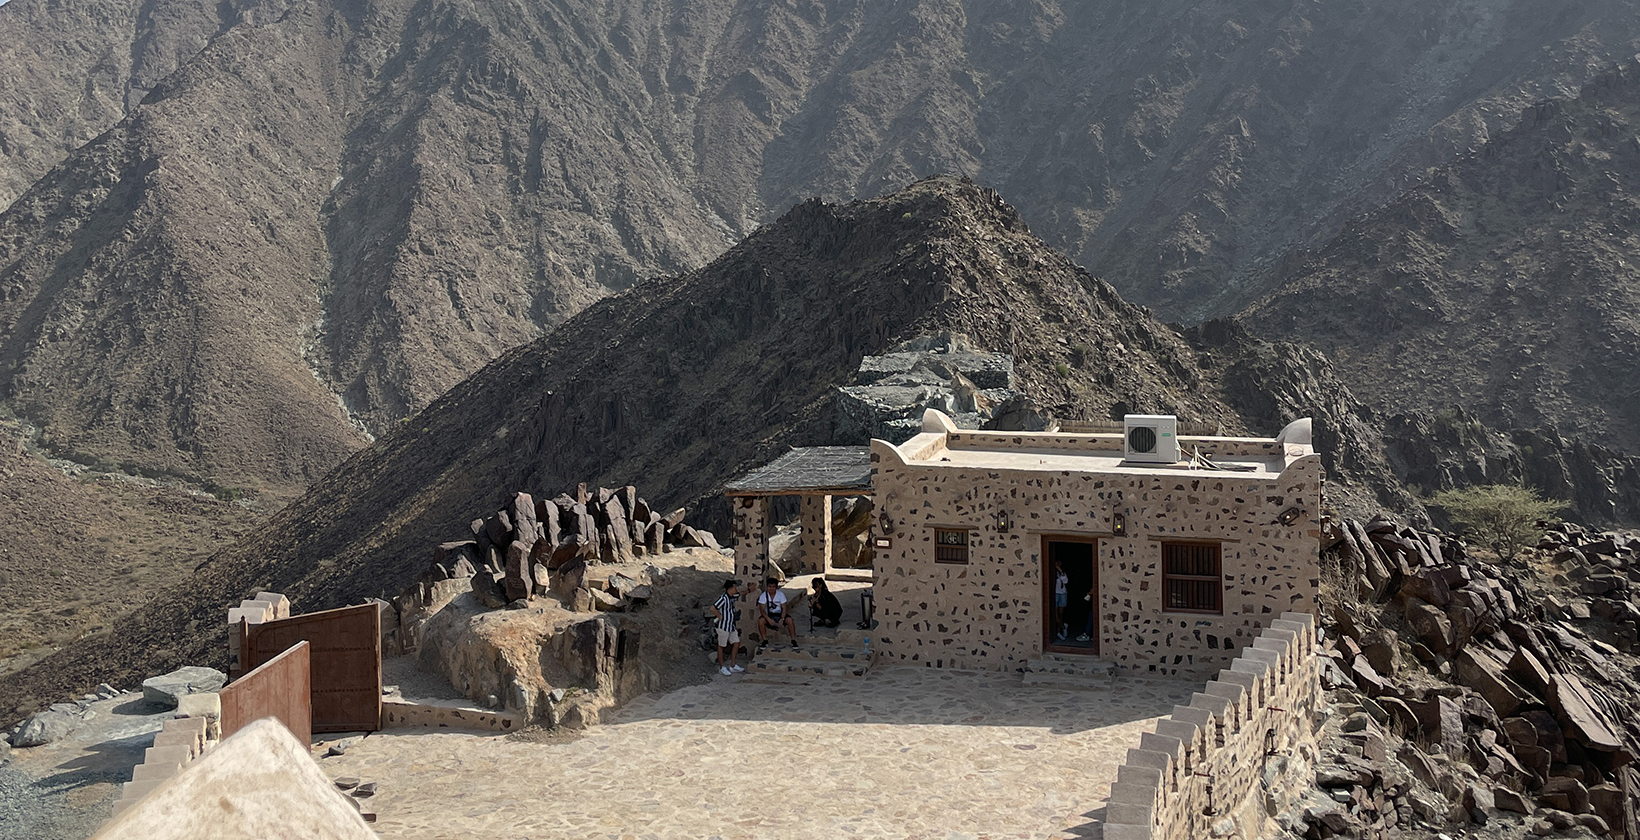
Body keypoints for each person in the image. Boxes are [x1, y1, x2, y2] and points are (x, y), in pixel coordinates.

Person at [710, 579, 744, 675]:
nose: (736, 589)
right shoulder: (723, 598)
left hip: (731, 626)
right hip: (723, 626)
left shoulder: (732, 597)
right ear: (730, 588)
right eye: (734, 587)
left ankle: (732, 665)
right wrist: (719, 616)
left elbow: (740, 593)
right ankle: (722, 667)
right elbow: (713, 608)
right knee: (721, 646)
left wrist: (749, 590)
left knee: (736, 643)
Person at [758, 577, 800, 651]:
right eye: (769, 587)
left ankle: (793, 640)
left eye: (773, 587)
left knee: (789, 620)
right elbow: (762, 610)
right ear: (767, 587)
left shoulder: (780, 595)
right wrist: (768, 619)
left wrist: (782, 618)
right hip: (769, 615)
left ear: (776, 587)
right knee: (761, 621)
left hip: (779, 614)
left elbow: (784, 608)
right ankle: (764, 640)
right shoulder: (764, 596)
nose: (771, 589)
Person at [1052, 560, 1069, 640]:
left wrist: (1060, 571)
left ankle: (1059, 631)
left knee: (1060, 613)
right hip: (1055, 594)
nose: (1057, 564)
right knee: (1055, 615)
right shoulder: (1051, 573)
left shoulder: (1062, 573)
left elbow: (1065, 581)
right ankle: (1063, 627)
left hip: (1062, 593)